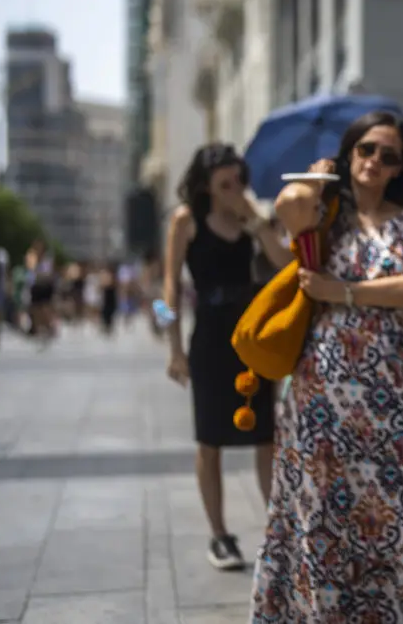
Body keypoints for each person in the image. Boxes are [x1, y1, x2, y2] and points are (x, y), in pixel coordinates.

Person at [251, 111, 403, 622]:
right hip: (323, 391)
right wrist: (320, 174)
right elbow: (286, 203)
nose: (375, 162)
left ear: (400, 167)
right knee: (327, 516)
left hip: (397, 387)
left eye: (389, 156)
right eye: (366, 150)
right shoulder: (324, 214)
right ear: (351, 152)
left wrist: (345, 292)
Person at [163, 144, 293, 571]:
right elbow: (167, 292)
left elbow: (284, 264)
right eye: (224, 182)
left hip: (250, 335)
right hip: (209, 336)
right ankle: (219, 535)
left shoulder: (252, 217)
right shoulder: (187, 220)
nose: (234, 188)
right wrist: (174, 349)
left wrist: (258, 224)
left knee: (266, 436)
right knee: (210, 438)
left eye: (238, 179)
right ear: (206, 184)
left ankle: (278, 529)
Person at [25, 240, 57, 344]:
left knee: (45, 308)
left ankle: (49, 328)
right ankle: (38, 329)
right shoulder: (31, 258)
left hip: (45, 286)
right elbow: (31, 269)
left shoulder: (47, 260)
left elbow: (48, 274)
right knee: (35, 309)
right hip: (35, 286)